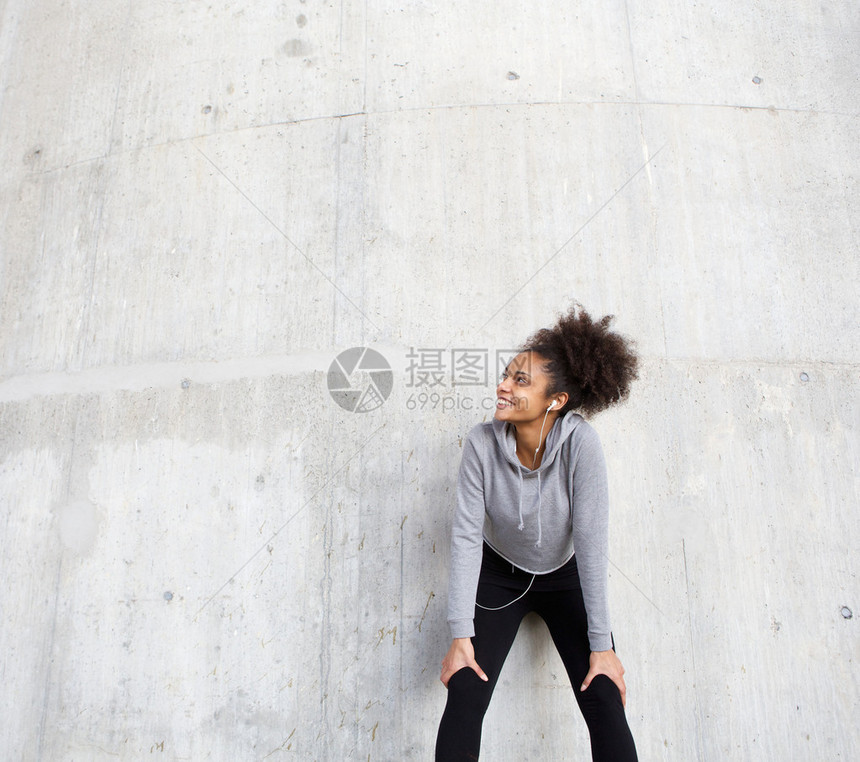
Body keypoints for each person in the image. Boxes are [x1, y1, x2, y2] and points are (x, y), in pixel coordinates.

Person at [435, 305, 640, 761]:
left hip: (564, 577)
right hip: (499, 574)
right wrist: (459, 635)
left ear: (556, 400)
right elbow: (467, 536)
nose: (503, 386)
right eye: (507, 374)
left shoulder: (581, 445)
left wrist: (602, 647)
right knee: (465, 687)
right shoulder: (481, 443)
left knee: (604, 692)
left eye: (521, 380)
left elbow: (590, 544)